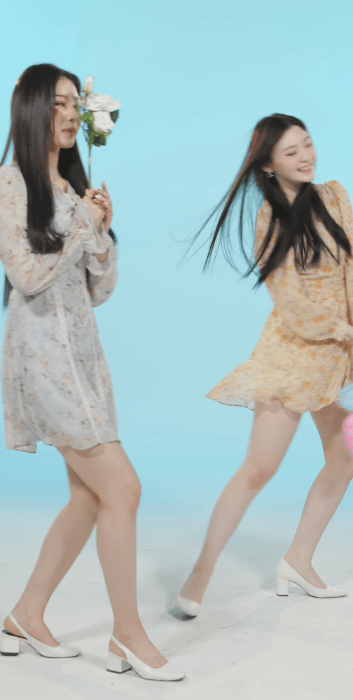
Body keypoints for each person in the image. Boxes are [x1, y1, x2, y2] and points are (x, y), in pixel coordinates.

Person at [0, 64, 185, 682]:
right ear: (32, 110)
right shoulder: (9, 183)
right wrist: (82, 226)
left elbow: (97, 291)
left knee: (88, 495)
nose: (71, 114)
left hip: (84, 358)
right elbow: (26, 277)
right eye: (58, 103)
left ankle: (25, 616)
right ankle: (127, 635)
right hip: (42, 359)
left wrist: (99, 231)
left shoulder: (74, 190)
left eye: (76, 103)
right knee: (123, 488)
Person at [176, 113, 353, 618]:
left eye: (308, 144)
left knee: (348, 457)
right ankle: (200, 572)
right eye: (291, 151)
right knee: (259, 469)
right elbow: (293, 305)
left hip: (335, 360)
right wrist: (352, 334)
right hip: (292, 356)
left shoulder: (334, 196)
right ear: (269, 166)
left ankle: (298, 560)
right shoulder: (269, 220)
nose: (306, 156)